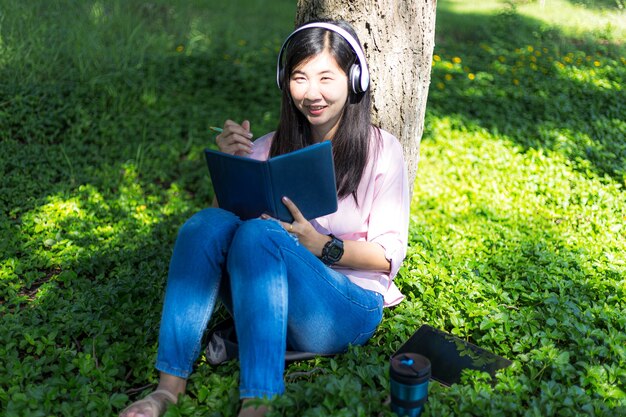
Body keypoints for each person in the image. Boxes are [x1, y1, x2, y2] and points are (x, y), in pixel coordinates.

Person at [119, 19, 410, 417]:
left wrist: (322, 247)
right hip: (269, 300)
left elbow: (389, 256)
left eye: (326, 77)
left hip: (347, 306)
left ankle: (259, 402)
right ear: (284, 82)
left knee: (260, 235)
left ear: (354, 79)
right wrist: (235, 164)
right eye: (299, 78)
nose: (312, 93)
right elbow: (219, 239)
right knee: (205, 223)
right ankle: (168, 389)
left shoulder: (382, 150)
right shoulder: (267, 147)